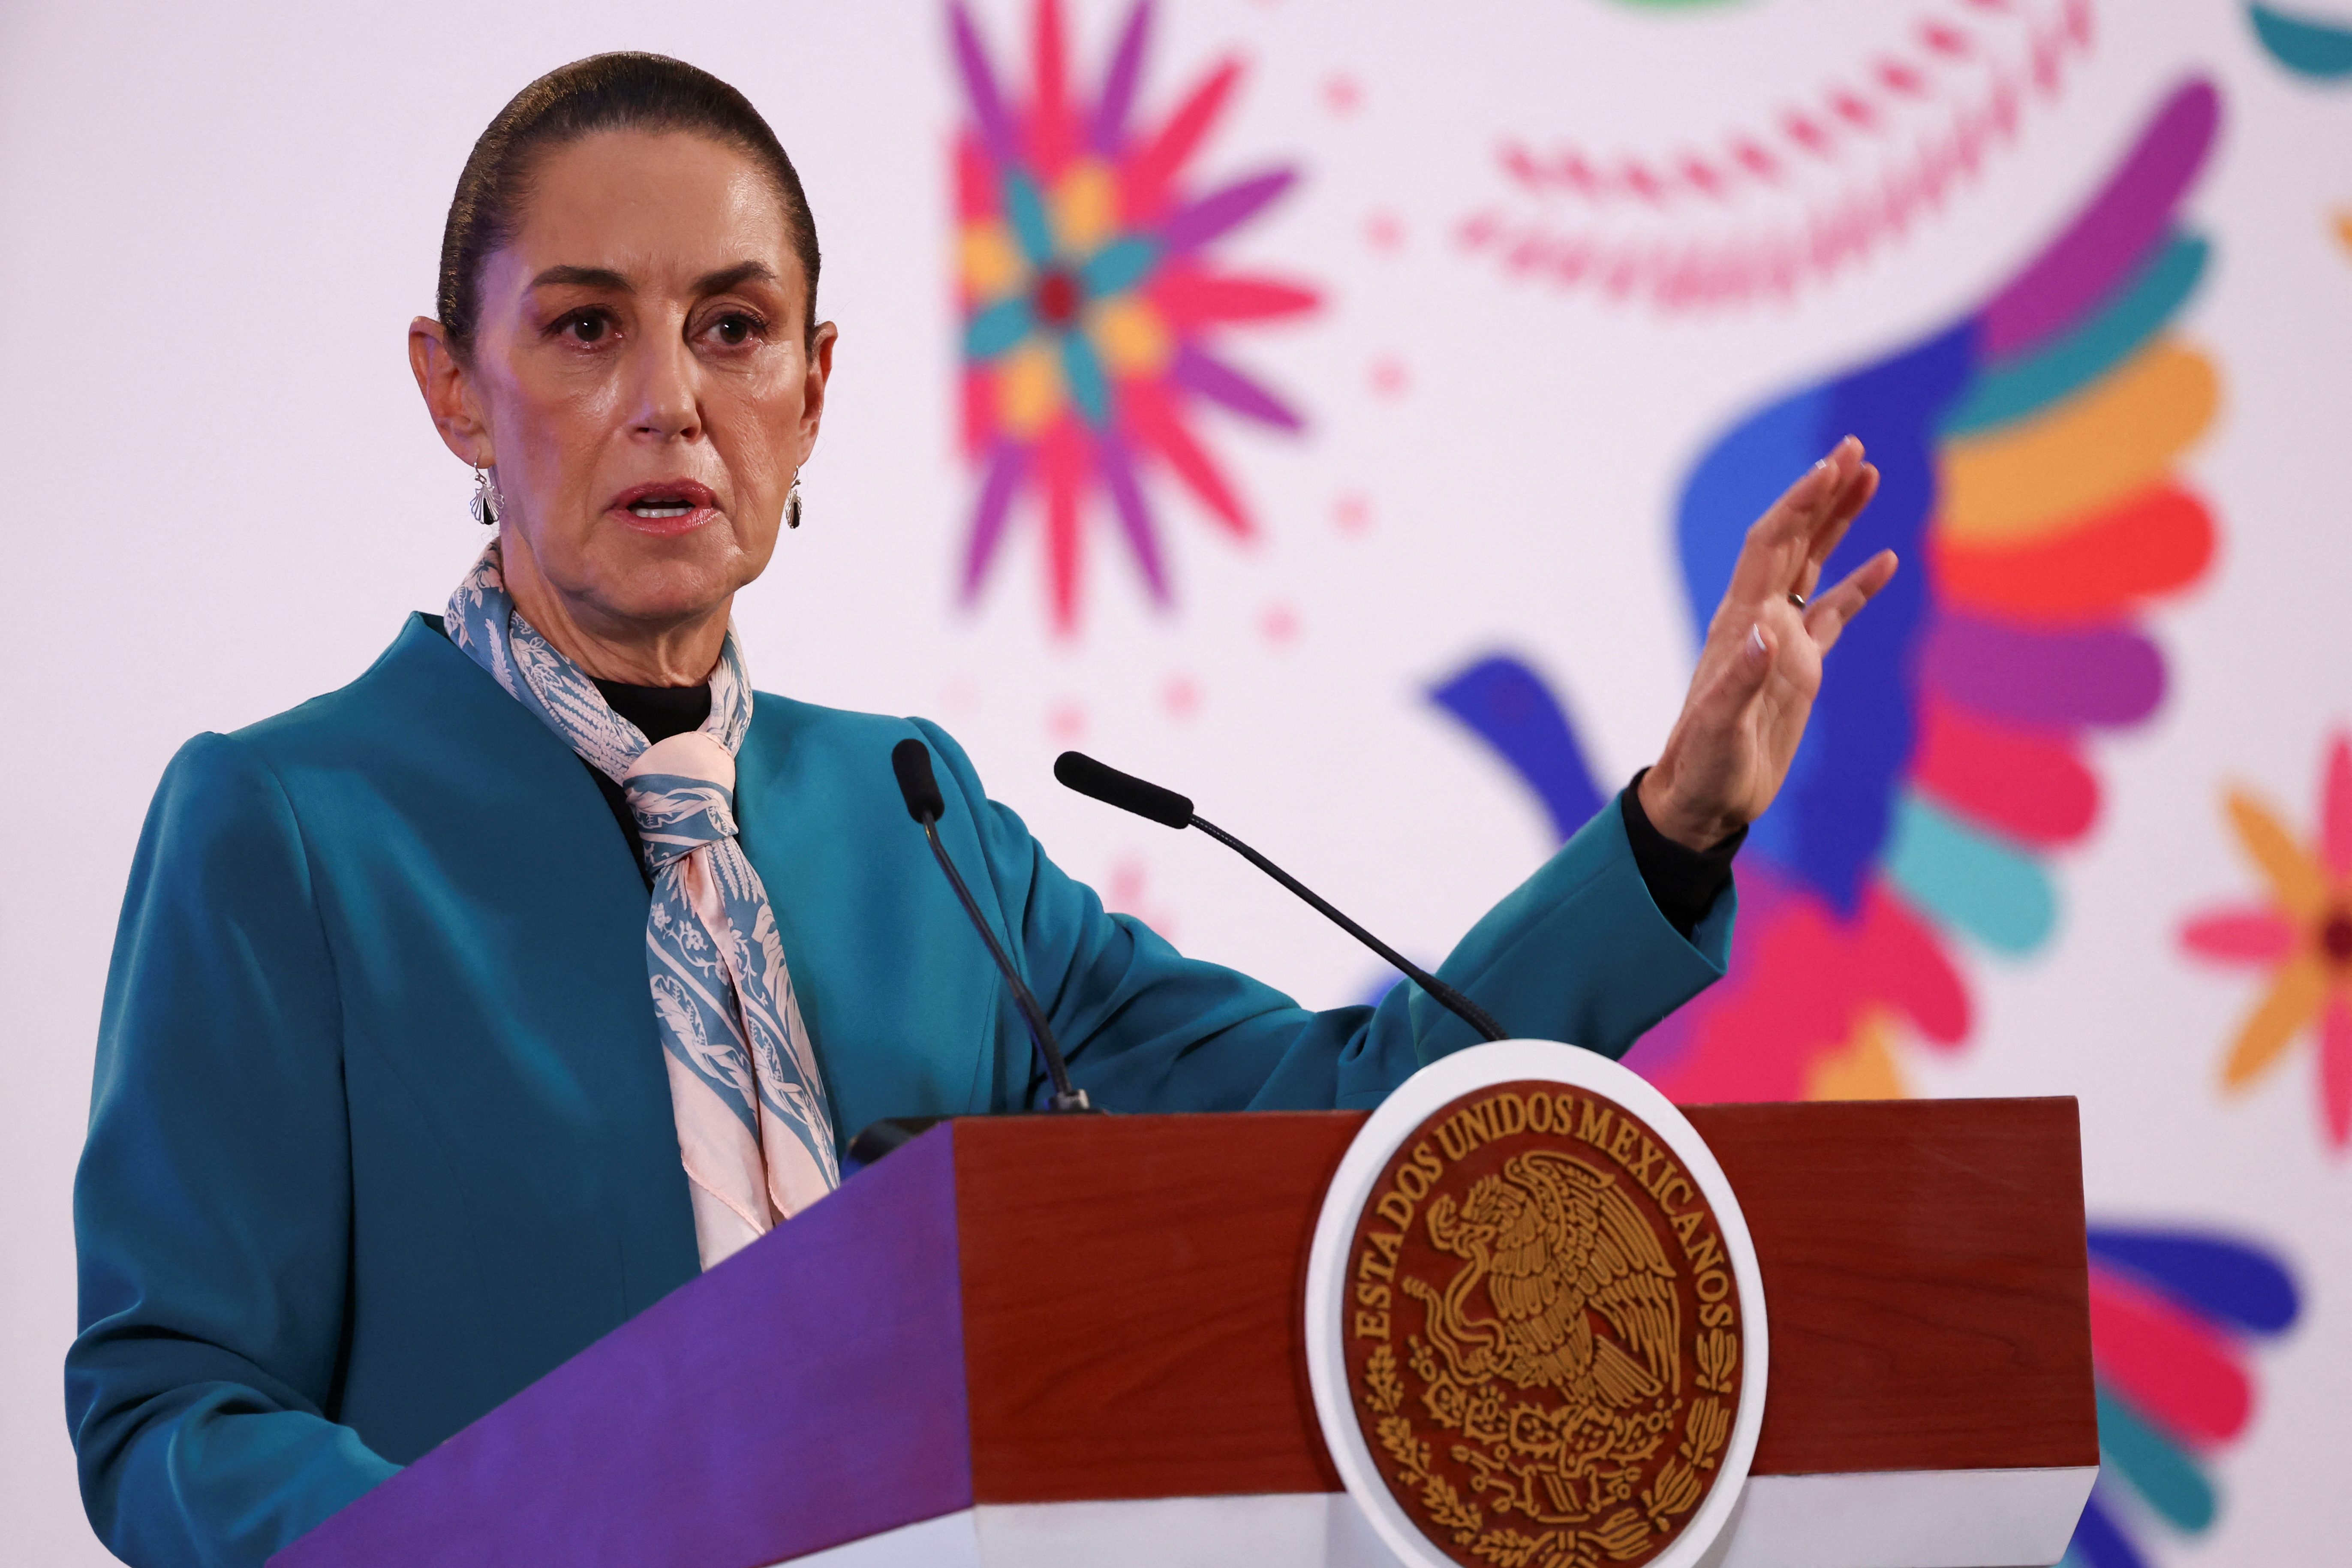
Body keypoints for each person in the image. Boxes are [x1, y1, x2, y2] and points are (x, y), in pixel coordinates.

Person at [64, 53, 1893, 1568]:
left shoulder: (913, 824)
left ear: (815, 386)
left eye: (731, 327)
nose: (668, 403)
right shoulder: (286, 827)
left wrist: (1669, 829)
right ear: (455, 389)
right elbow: (173, 1414)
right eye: (581, 329)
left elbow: (1338, 1142)